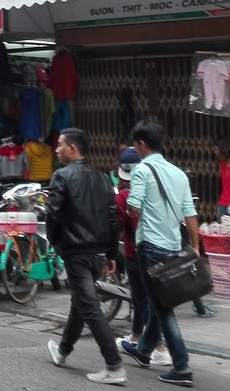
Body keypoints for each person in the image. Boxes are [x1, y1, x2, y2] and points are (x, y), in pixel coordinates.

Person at [117, 120, 198, 387]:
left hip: (149, 245)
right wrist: (195, 247)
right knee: (159, 302)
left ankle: (182, 366)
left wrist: (130, 206)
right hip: (174, 246)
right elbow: (190, 214)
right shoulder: (178, 173)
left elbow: (132, 208)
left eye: (136, 145)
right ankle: (142, 350)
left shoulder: (141, 170)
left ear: (141, 144)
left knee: (162, 308)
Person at [44, 127, 126, 386]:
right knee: (80, 303)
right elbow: (113, 218)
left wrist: (54, 241)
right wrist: (112, 252)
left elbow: (53, 213)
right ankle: (63, 351)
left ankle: (114, 366)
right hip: (98, 253)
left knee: (89, 307)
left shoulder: (62, 177)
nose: (56, 150)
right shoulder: (103, 178)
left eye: (59, 145)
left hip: (76, 252)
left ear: (72, 148)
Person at [114, 144, 172, 367]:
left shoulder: (125, 197)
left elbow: (121, 226)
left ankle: (159, 346)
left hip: (135, 252)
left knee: (145, 300)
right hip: (163, 248)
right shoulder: (156, 189)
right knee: (143, 299)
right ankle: (136, 336)